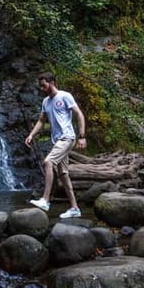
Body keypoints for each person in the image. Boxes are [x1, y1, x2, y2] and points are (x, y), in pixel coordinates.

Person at [24, 72, 87, 218]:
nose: (41, 88)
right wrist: (31, 135)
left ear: (52, 82)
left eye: (44, 85)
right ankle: (75, 208)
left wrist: (82, 136)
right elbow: (41, 121)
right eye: (40, 86)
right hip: (57, 141)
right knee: (63, 175)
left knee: (48, 162)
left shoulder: (65, 96)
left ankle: (45, 200)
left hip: (67, 137)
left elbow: (79, 114)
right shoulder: (46, 101)